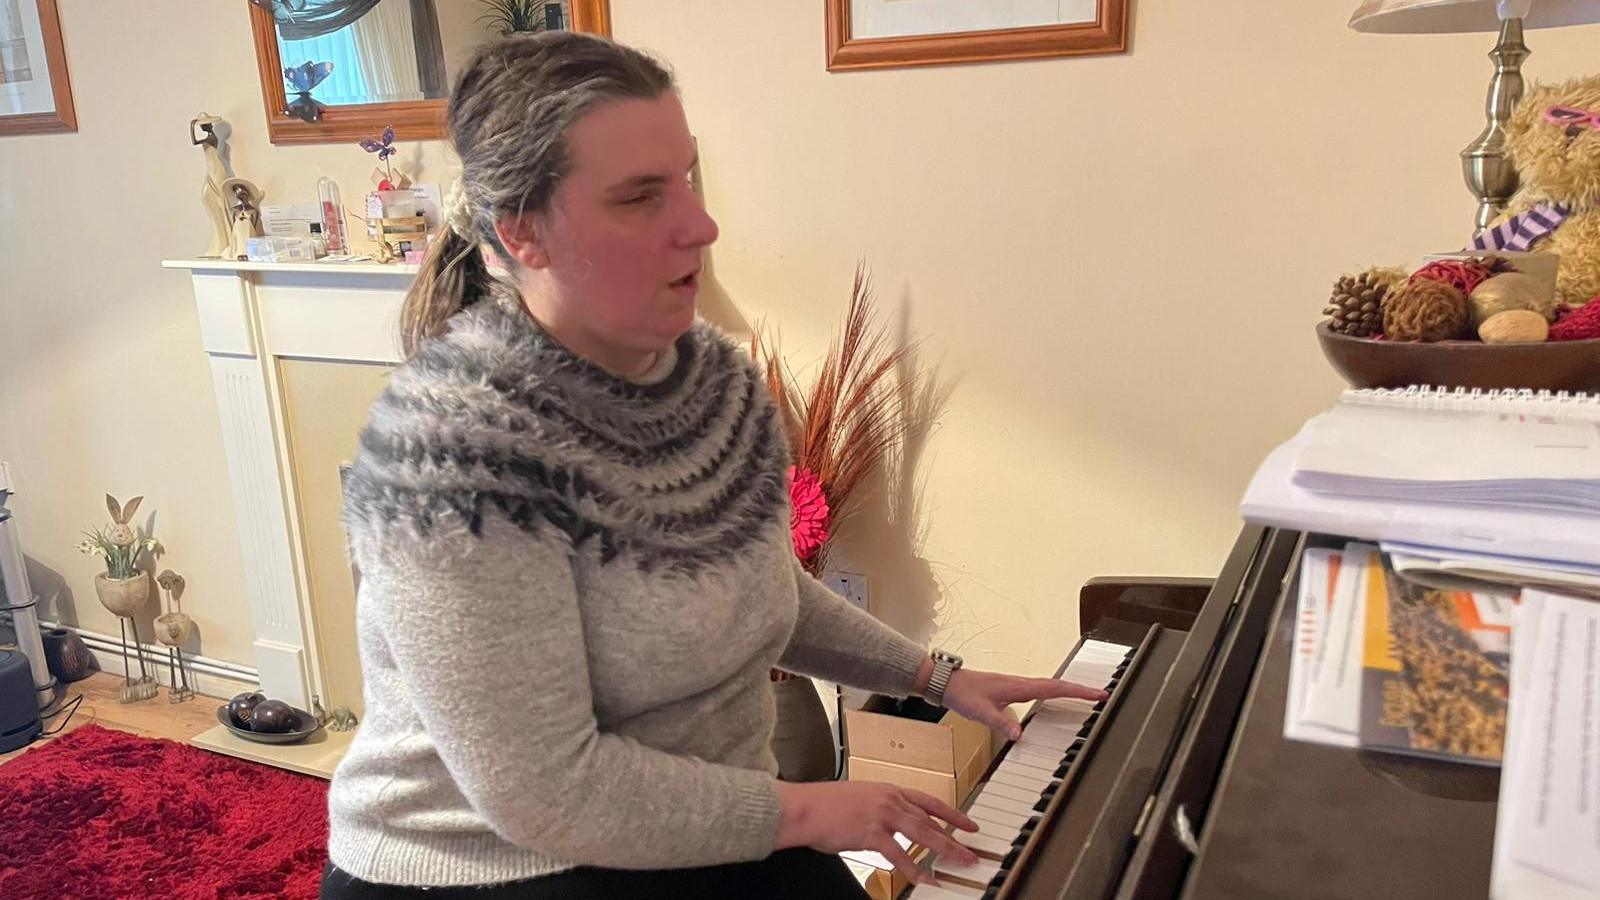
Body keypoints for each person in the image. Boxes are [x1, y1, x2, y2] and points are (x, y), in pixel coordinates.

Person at [321, 30, 1106, 900]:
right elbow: (544, 794)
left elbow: (754, 584)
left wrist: (936, 678)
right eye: (641, 197)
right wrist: (814, 812)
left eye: (687, 179)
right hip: (500, 864)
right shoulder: (458, 464)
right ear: (524, 233)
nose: (701, 224)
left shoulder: (712, 378)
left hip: (690, 823)